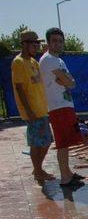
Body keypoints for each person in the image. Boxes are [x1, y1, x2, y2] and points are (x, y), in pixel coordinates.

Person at [39, 27, 84, 186]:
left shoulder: (59, 60)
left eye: (60, 41)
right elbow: (69, 82)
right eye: (54, 41)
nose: (58, 44)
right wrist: (66, 81)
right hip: (57, 106)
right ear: (48, 42)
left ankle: (68, 172)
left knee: (66, 142)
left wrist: (66, 81)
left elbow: (70, 82)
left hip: (65, 104)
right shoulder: (49, 59)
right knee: (62, 143)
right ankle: (65, 177)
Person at [11, 30, 54, 182]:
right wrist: (28, 110)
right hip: (33, 110)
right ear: (25, 44)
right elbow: (19, 88)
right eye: (34, 43)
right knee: (37, 143)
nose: (36, 46)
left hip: (41, 109)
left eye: (38, 43)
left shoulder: (33, 62)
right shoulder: (19, 62)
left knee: (47, 141)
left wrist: (45, 54)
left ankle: (38, 169)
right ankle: (38, 171)